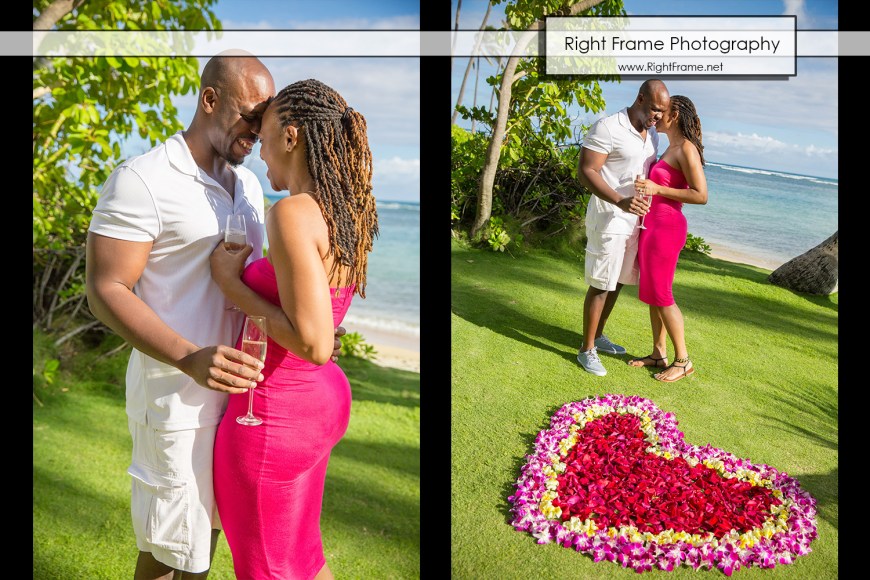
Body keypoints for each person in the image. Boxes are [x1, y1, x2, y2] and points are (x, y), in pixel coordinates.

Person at [85, 53, 342, 579]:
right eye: (251, 115)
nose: (259, 131)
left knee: (202, 550)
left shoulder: (248, 186)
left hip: (242, 403)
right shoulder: (144, 179)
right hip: (177, 401)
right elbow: (105, 288)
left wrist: (306, 328)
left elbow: (266, 284)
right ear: (209, 100)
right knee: (168, 553)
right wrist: (188, 357)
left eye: (265, 119)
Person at [209, 79, 378, 579]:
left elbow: (314, 343)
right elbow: (322, 314)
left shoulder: (292, 214)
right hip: (316, 406)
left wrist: (229, 283)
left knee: (268, 568)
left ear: (292, 136)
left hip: (273, 416)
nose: (259, 152)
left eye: (264, 139)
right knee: (302, 559)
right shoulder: (346, 212)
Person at [575, 79, 670, 376]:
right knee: (602, 282)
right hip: (610, 217)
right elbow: (586, 171)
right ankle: (586, 350)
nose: (658, 116)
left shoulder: (651, 135)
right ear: (640, 99)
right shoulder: (608, 127)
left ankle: (598, 335)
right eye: (654, 109)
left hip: (635, 221)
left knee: (617, 280)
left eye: (662, 111)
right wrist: (620, 200)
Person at [628, 95, 707, 382]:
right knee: (653, 293)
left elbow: (701, 195)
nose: (657, 115)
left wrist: (657, 189)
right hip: (652, 226)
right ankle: (658, 353)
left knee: (662, 295)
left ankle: (683, 361)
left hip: (668, 228)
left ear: (674, 116)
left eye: (663, 111)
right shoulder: (669, 148)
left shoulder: (686, 148)